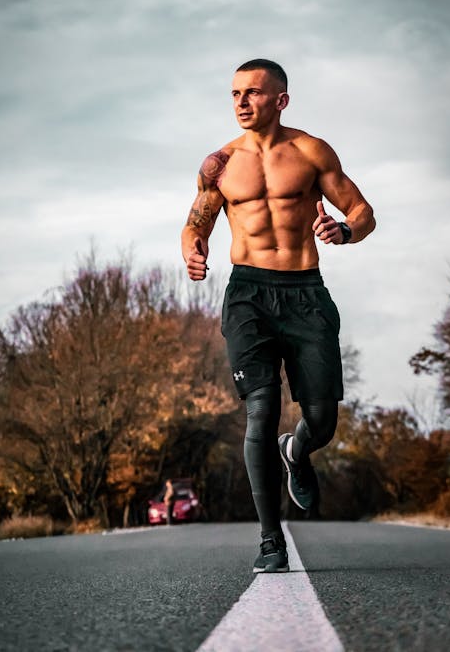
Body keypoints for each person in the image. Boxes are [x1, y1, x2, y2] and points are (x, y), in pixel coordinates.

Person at [181, 59, 375, 573]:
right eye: (235, 94)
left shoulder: (311, 151)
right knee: (260, 410)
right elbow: (195, 221)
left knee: (323, 420)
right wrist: (193, 247)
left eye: (253, 93)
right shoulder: (219, 164)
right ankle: (271, 540)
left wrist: (346, 231)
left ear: (281, 100)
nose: (241, 102)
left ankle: (299, 450)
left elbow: (363, 211)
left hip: (305, 292)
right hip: (248, 293)